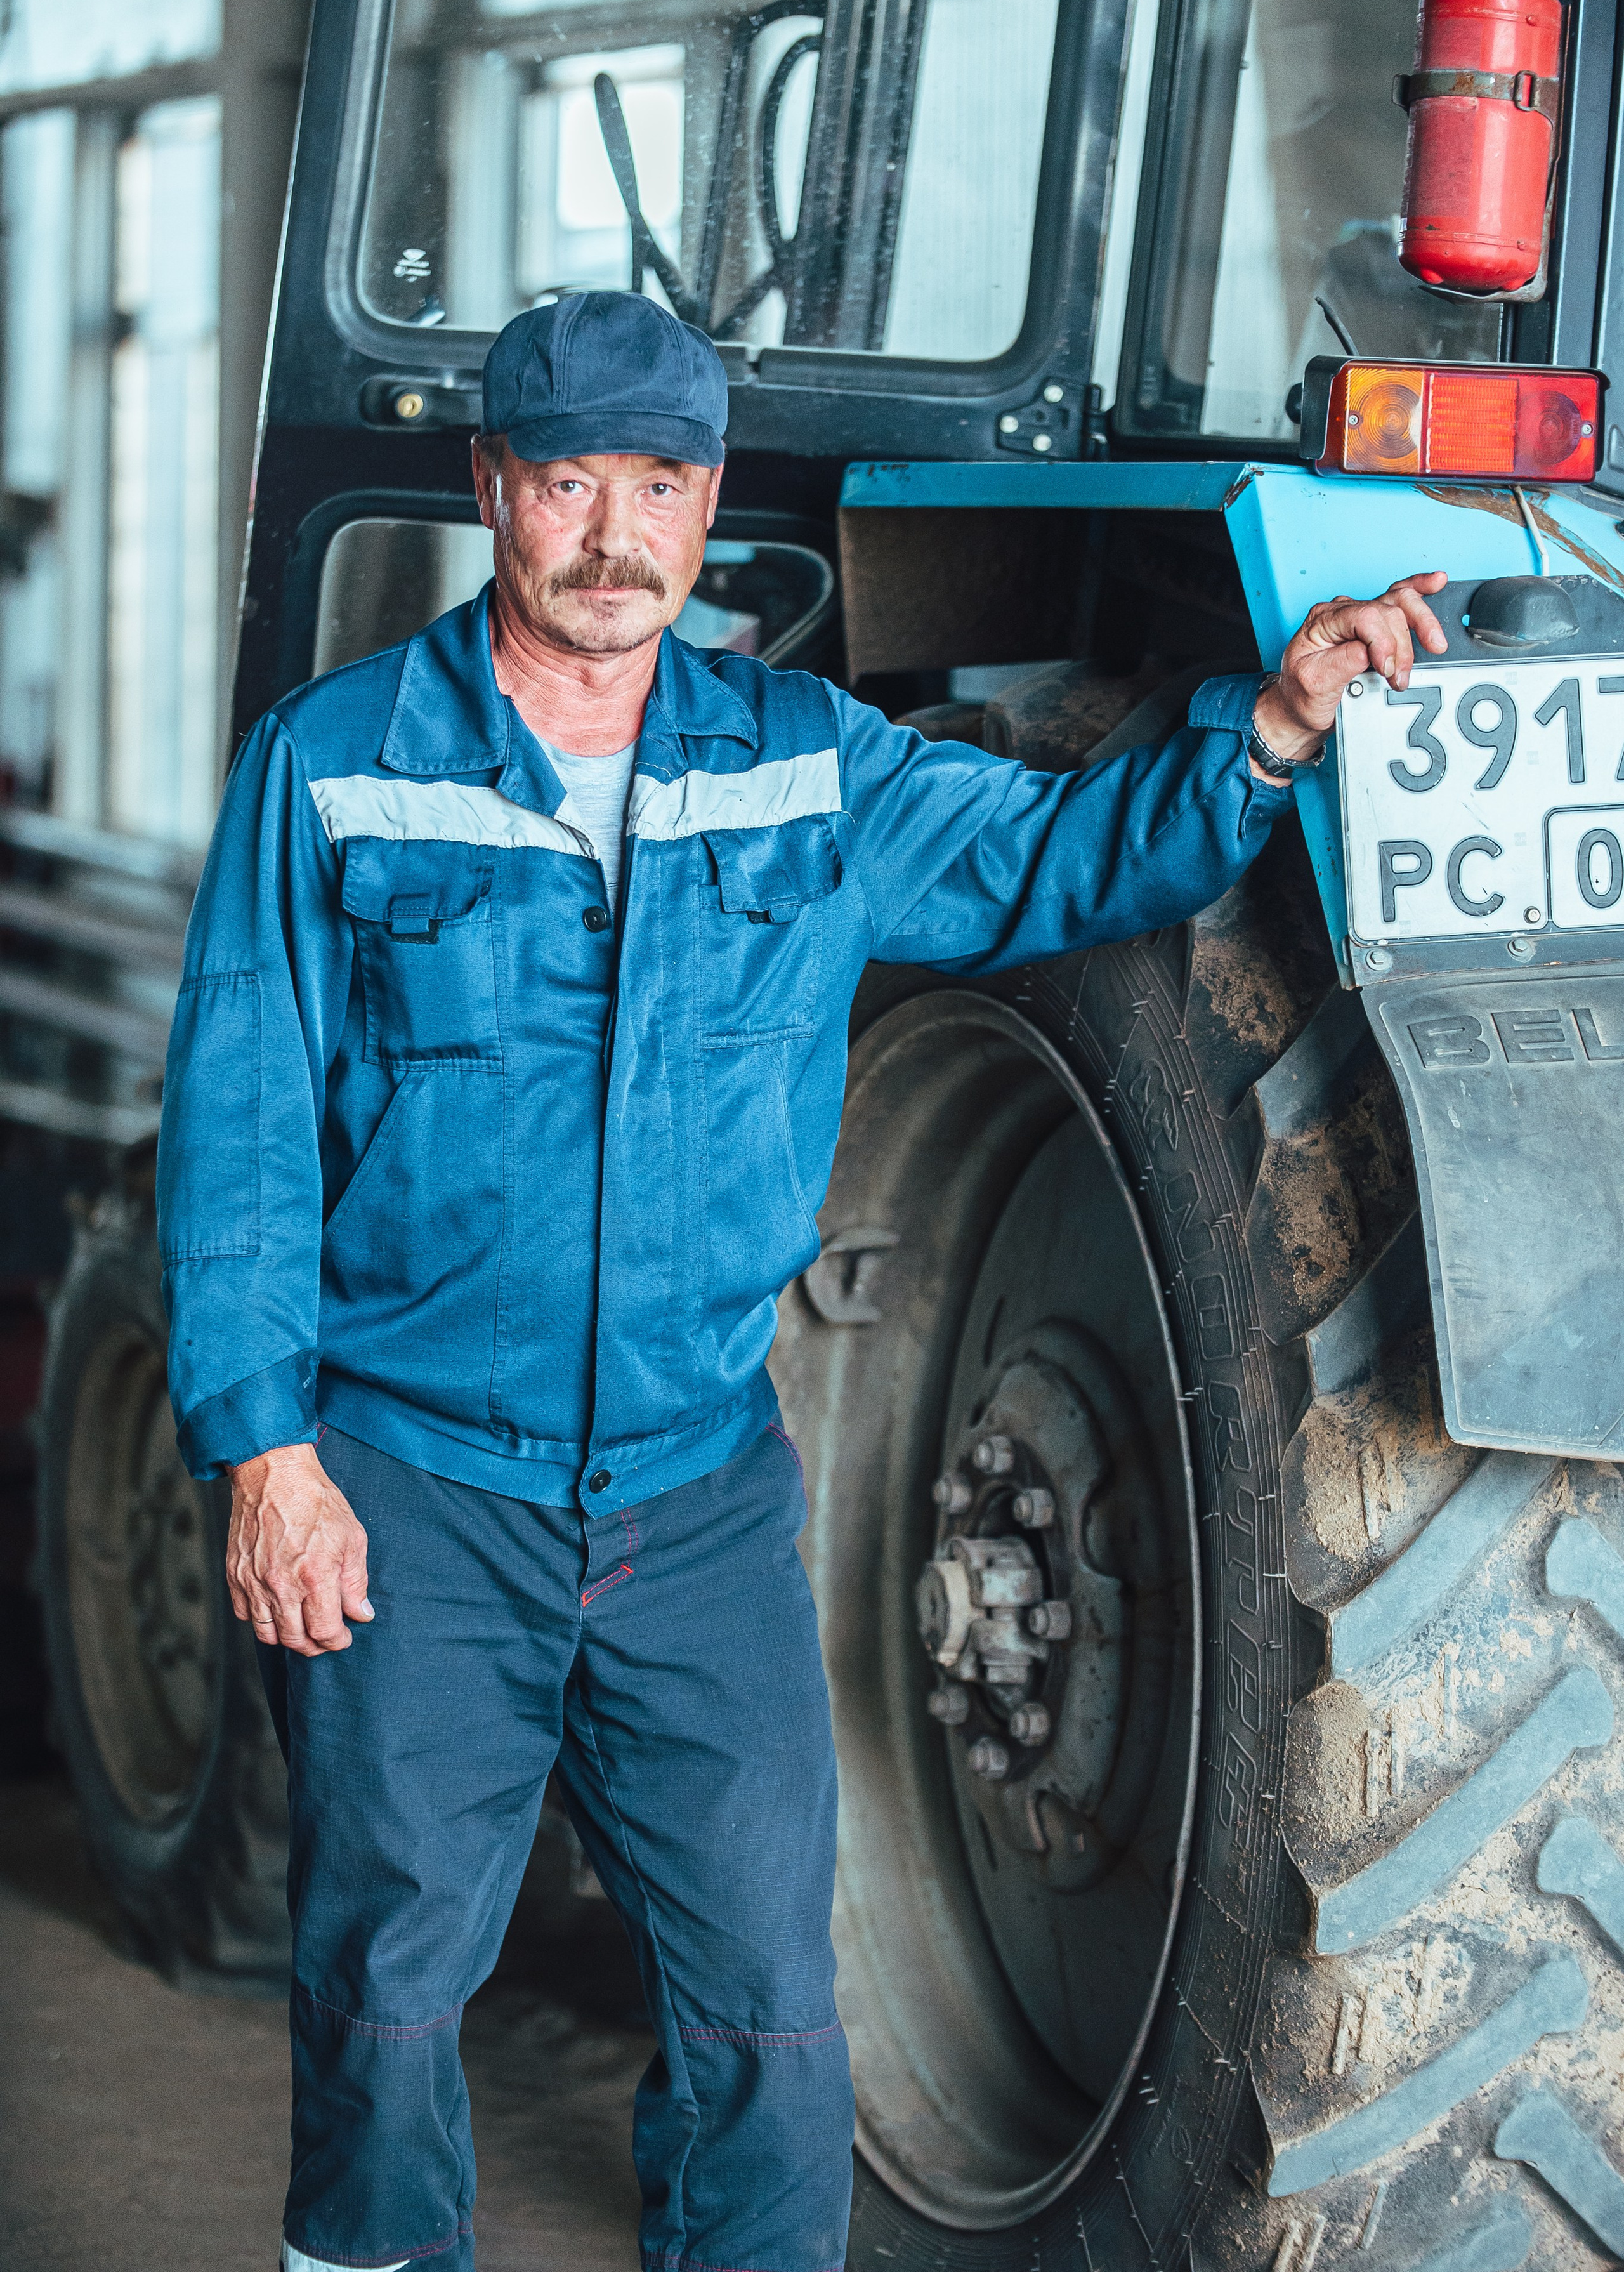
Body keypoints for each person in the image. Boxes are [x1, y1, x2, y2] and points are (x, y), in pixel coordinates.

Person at [156, 289, 1448, 2272]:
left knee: (769, 2008)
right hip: (414, 1490)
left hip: (690, 1500)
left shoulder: (802, 763)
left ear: (706, 504)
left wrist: (1268, 728)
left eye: (656, 486)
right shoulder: (336, 767)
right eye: (567, 481)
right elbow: (237, 1127)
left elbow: (1064, 860)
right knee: (389, 1993)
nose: (612, 536)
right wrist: (267, 1453)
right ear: (493, 489)